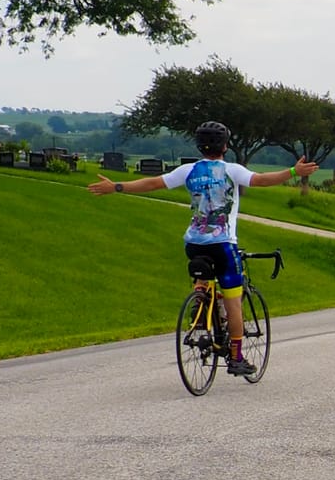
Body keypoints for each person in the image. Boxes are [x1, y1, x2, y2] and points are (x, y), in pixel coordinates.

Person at [89, 122, 315, 375]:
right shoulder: (231, 170)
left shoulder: (188, 171)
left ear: (198, 146)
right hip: (223, 243)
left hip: (193, 243)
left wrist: (116, 187)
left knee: (204, 277)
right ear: (225, 146)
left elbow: (153, 184)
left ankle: (201, 302)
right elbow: (261, 180)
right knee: (233, 303)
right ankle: (236, 357)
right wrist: (294, 172)